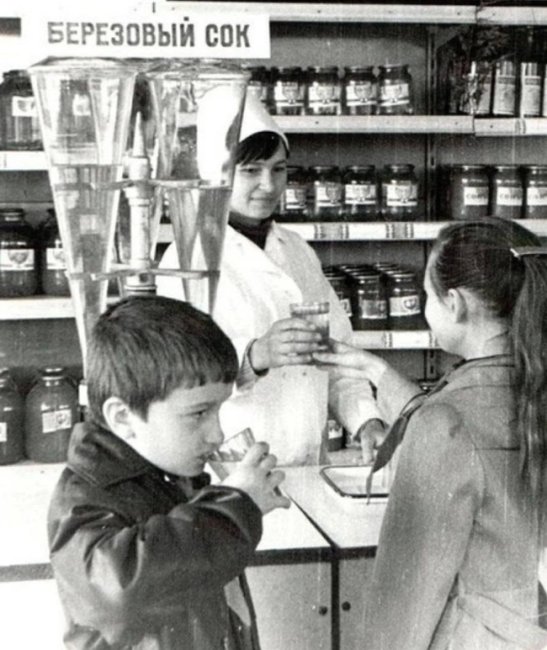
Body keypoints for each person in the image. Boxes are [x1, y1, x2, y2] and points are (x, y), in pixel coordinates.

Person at [314, 217, 547, 648]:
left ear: (454, 304)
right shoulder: (530, 388)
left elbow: (404, 600)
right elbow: (478, 429)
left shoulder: (446, 424)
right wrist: (376, 371)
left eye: (426, 294)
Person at [47, 295, 290, 650]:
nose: (217, 434)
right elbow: (120, 591)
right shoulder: (83, 499)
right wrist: (233, 507)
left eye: (218, 410)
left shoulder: (172, 474)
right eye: (198, 413)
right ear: (122, 418)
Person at [157, 93, 384, 466]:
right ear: (218, 173)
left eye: (278, 169)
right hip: (230, 468)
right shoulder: (187, 259)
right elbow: (176, 377)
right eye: (251, 170)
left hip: (309, 463)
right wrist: (254, 356)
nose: (268, 184)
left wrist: (366, 421)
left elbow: (338, 357)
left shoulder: (297, 251)